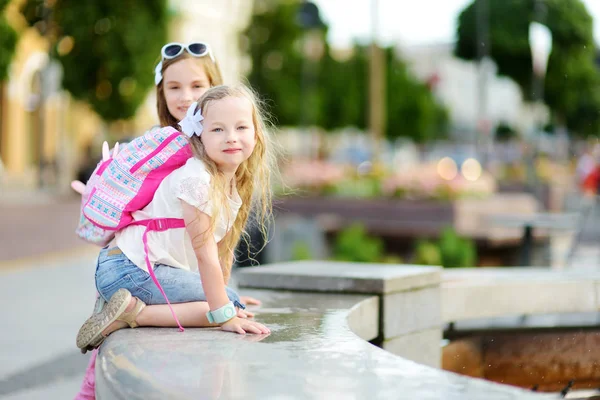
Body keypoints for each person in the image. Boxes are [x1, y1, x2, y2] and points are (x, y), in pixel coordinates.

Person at [73, 43, 269, 399]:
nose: (186, 97)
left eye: (197, 87)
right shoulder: (173, 154)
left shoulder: (219, 165)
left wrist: (224, 292)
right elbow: (200, 247)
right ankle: (131, 313)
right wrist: (225, 303)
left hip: (143, 263)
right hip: (135, 264)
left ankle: (122, 315)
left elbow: (220, 246)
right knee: (227, 306)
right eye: (174, 87)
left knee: (227, 300)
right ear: (161, 93)